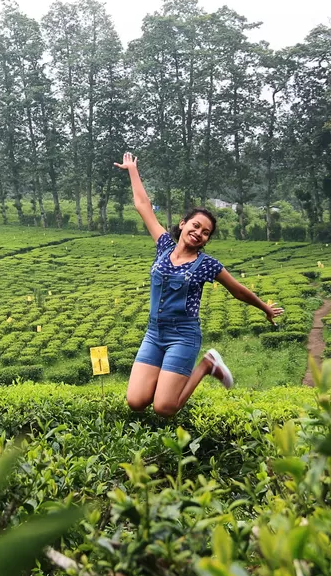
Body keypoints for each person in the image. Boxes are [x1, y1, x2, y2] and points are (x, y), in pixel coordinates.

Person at [113, 152, 284, 417]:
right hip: (154, 333)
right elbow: (143, 205)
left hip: (183, 336)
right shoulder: (163, 246)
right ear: (182, 225)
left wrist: (265, 308)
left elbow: (238, 290)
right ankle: (165, 380)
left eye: (205, 232)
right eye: (195, 226)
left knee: (164, 408)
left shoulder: (207, 265)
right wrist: (132, 170)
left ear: (206, 240)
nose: (198, 233)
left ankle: (207, 364)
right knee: (136, 401)